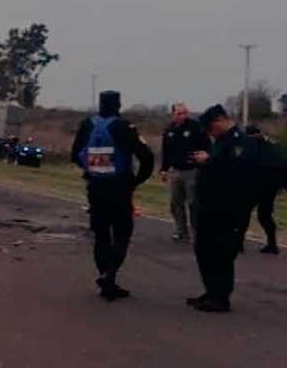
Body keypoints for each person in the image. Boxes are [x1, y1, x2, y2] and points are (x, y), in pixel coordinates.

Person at [71, 90, 155, 301]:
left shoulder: (87, 124)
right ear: (118, 105)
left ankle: (106, 278)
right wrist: (136, 181)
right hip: (119, 187)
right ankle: (110, 273)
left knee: (101, 235)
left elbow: (75, 154)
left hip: (95, 186)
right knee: (122, 232)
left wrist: (91, 167)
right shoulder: (124, 127)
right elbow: (147, 157)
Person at [187, 105, 258, 312]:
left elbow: (235, 171)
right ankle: (211, 291)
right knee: (204, 249)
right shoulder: (220, 142)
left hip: (227, 208)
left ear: (220, 121)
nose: (210, 133)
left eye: (211, 128)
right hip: (209, 206)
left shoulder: (240, 142)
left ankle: (221, 297)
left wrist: (209, 160)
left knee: (222, 252)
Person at [159, 103, 210, 241]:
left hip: (192, 170)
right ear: (173, 114)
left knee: (193, 203)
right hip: (175, 171)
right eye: (179, 113)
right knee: (175, 203)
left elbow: (207, 147)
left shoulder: (196, 127)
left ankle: (197, 231)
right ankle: (181, 230)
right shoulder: (169, 130)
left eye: (184, 113)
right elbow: (166, 151)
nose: (182, 116)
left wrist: (204, 161)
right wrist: (164, 169)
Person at [241, 124, 287, 254]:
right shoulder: (273, 146)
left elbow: (243, 165)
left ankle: (238, 243)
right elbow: (285, 165)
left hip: (254, 185)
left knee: (243, 213)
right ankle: (272, 244)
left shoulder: (249, 146)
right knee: (265, 215)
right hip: (271, 187)